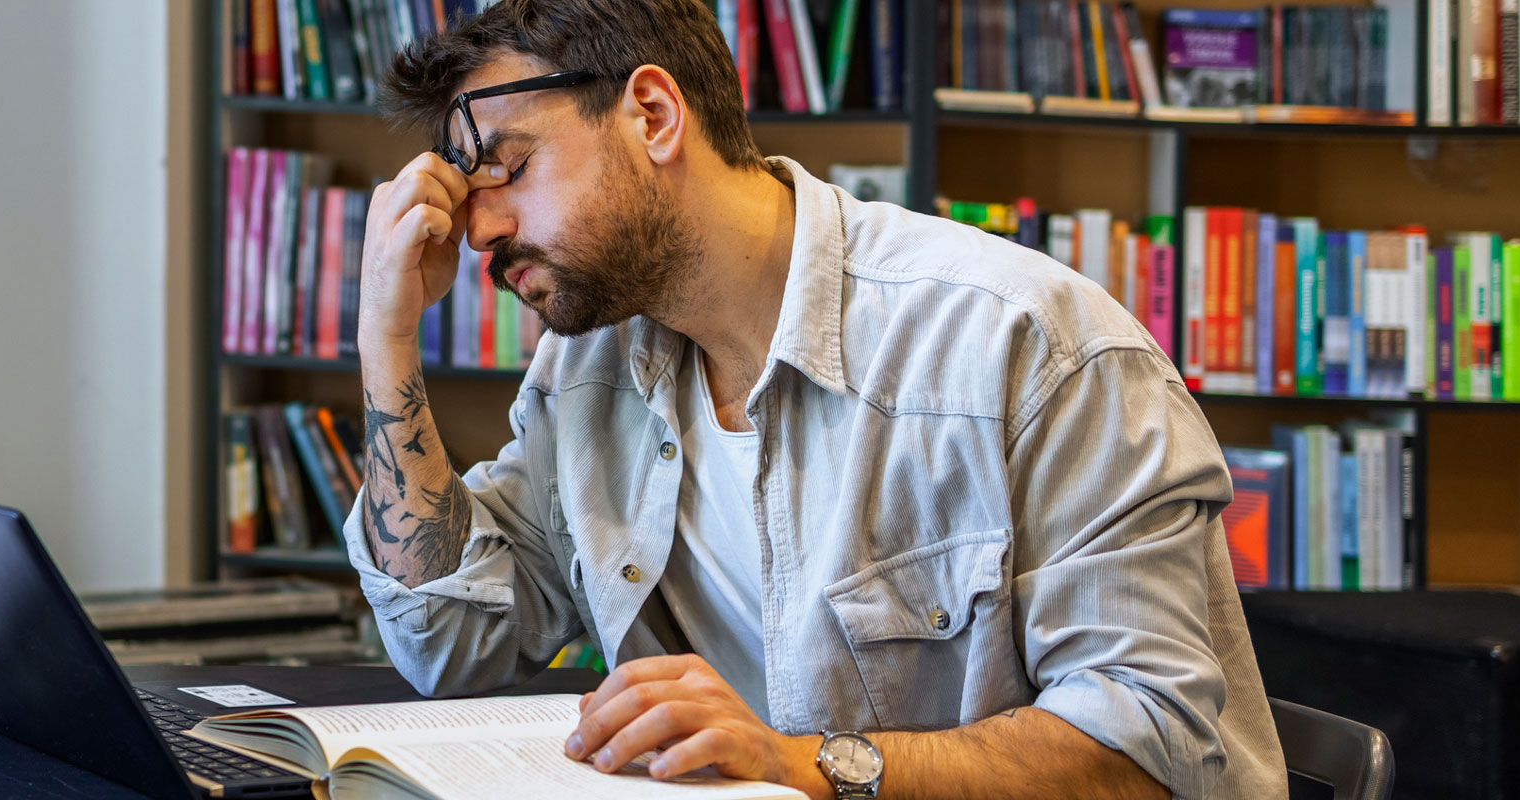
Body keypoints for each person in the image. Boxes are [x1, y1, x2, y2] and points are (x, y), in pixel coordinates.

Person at [343, 0, 1286, 797]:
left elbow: (1154, 748)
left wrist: (803, 766)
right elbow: (451, 644)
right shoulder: (590, 374)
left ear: (654, 116)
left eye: (505, 166)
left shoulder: (1026, 347)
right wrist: (386, 343)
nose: (480, 231)